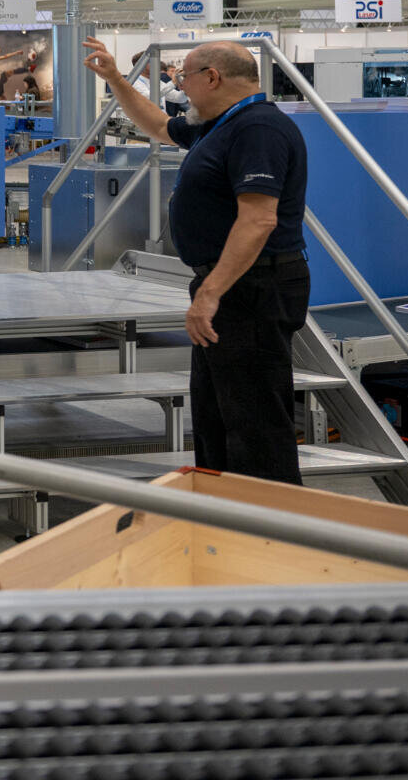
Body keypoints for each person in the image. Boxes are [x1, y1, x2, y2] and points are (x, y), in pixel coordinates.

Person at [83, 37, 309, 485]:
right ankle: (221, 514)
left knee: (255, 421)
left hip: (250, 289)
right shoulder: (221, 122)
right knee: (216, 413)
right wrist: (114, 80)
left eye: (183, 77)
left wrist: (210, 293)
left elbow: (259, 220)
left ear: (212, 77)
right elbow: (160, 126)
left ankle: (271, 527)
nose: (179, 86)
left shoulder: (257, 130)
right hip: (229, 288)